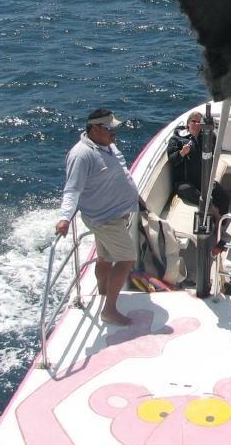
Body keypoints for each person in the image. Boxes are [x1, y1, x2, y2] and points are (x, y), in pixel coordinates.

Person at [56, 108, 138, 327]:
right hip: (105, 218)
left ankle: (103, 296)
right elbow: (72, 190)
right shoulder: (81, 155)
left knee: (105, 258)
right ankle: (109, 310)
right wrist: (65, 218)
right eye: (110, 128)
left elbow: (119, 172)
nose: (114, 132)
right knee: (127, 258)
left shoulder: (106, 145)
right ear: (95, 128)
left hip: (115, 213)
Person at [167, 111, 231, 220]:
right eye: (193, 121)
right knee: (188, 191)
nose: (196, 124)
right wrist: (182, 153)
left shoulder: (208, 138)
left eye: (199, 122)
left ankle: (219, 224)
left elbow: (215, 153)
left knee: (225, 198)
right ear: (188, 124)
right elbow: (172, 160)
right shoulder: (176, 139)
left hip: (204, 179)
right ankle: (214, 211)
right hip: (184, 182)